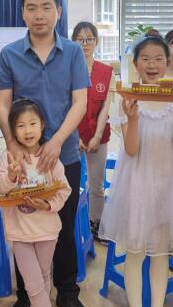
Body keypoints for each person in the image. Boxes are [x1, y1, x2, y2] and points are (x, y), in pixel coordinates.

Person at [0, 0, 89, 307]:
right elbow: (3, 104)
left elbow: (80, 102)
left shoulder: (73, 52)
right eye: (31, 8)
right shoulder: (10, 54)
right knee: (25, 223)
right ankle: (27, 295)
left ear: (58, 11)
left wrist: (57, 141)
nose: (39, 15)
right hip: (25, 158)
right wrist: (12, 144)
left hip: (64, 155)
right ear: (23, 13)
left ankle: (67, 292)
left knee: (62, 224)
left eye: (46, 7)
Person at [99, 35, 173, 307]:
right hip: (137, 184)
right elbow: (131, 150)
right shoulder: (128, 98)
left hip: (169, 184)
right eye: (145, 59)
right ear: (135, 64)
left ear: (167, 62)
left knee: (160, 254)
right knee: (135, 253)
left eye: (158, 59)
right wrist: (132, 118)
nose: (152, 65)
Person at [0, 99, 71, 307]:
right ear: (13, 130)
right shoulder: (8, 158)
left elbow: (64, 189)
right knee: (33, 285)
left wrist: (47, 205)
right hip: (20, 233)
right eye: (20, 125)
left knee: (44, 277)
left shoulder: (49, 157)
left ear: (42, 125)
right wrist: (10, 176)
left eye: (33, 123)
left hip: (47, 231)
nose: (28, 130)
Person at [71, 21, 114, 243]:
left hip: (99, 135)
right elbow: (65, 106)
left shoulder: (106, 72)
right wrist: (75, 136)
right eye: (80, 39)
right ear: (73, 42)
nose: (85, 44)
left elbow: (105, 107)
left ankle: (96, 223)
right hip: (72, 136)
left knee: (96, 185)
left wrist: (97, 136)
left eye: (89, 39)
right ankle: (71, 225)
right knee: (69, 183)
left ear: (96, 42)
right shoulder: (67, 70)